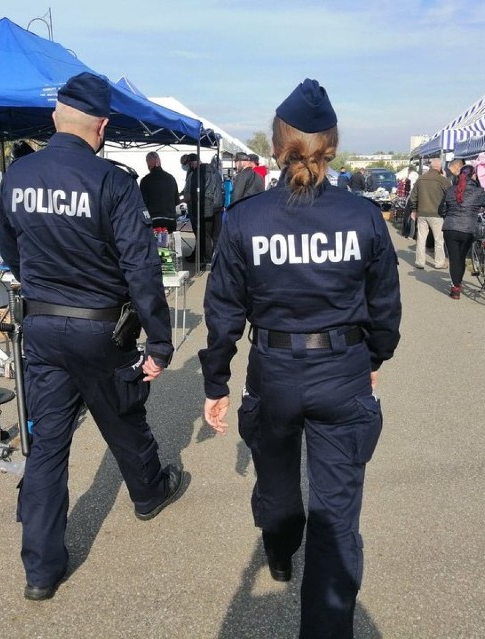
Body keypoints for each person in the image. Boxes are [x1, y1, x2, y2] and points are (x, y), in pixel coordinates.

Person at [199, 78, 402, 638]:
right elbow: (386, 305)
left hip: (276, 371)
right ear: (331, 147)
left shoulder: (246, 219)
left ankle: (282, 552)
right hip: (343, 372)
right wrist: (376, 355)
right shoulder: (364, 218)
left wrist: (216, 382)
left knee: (277, 480)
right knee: (337, 515)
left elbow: (223, 314)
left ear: (275, 145)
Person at [0, 72, 186, 602]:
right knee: (122, 416)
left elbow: (11, 253)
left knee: (47, 446)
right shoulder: (112, 182)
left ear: (57, 117)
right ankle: (149, 493)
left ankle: (40, 569)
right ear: (101, 126)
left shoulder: (18, 176)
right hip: (101, 328)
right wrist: (161, 342)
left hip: (42, 326)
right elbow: (141, 269)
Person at [440, 164, 485, 299]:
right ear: (473, 175)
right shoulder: (478, 192)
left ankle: (455, 288)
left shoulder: (450, 190)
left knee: (454, 259)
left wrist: (450, 215)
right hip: (468, 229)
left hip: (450, 228)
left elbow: (441, 210)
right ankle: (458, 283)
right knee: (461, 258)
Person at [409, 158, 450, 270]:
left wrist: (414, 210)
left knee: (421, 239)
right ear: (440, 168)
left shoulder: (420, 179)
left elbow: (413, 197)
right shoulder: (442, 180)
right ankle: (439, 262)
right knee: (438, 240)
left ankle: (420, 262)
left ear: (431, 166)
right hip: (437, 214)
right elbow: (450, 195)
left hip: (422, 213)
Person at [139, 151, 180, 232]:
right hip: (170, 220)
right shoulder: (171, 178)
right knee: (170, 243)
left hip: (154, 220)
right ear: (159, 161)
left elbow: (142, 203)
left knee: (155, 244)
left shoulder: (145, 181)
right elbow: (176, 201)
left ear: (148, 163)